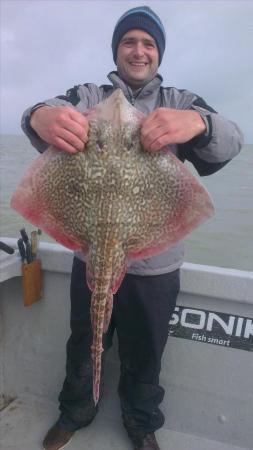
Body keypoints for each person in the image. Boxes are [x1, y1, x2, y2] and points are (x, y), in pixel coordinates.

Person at [21, 6, 243, 450]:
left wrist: (198, 124)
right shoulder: (88, 95)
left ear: (159, 53)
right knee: (84, 338)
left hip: (156, 265)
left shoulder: (181, 101)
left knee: (146, 351)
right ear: (117, 49)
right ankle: (76, 411)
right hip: (92, 249)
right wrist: (37, 117)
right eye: (129, 42)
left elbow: (231, 140)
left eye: (148, 43)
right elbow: (45, 112)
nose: (138, 51)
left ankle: (141, 423)